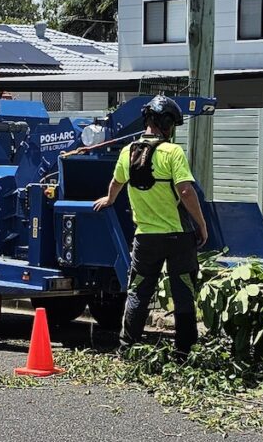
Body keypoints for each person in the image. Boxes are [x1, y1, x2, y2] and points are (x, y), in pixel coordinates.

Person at [93, 95, 209, 357]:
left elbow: (116, 182)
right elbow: (186, 191)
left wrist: (109, 199)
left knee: (138, 290)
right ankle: (184, 351)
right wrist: (201, 225)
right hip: (179, 237)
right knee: (183, 291)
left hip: (145, 238)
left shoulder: (127, 151)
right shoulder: (172, 152)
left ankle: (128, 348)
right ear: (167, 123)